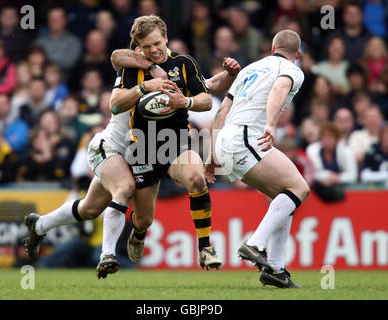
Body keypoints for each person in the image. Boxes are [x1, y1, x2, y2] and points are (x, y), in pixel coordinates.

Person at [23, 16, 241, 279]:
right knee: (109, 197)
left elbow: (207, 88)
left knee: (107, 211)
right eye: (147, 46)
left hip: (159, 146)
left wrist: (227, 77)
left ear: (166, 38)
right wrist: (145, 85)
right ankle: (106, 255)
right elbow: (115, 94)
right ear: (138, 48)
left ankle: (40, 224)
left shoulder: (181, 64)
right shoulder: (130, 67)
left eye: (157, 43)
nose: (154, 50)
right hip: (118, 148)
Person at [205, 30, 310, 288]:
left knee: (284, 197)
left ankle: (275, 269)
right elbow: (280, 88)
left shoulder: (250, 69)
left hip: (227, 140)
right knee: (299, 188)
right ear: (297, 55)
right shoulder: (292, 69)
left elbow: (223, 110)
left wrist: (211, 155)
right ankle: (255, 244)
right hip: (247, 137)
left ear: (272, 48)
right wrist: (272, 125)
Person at [306, 122, 358, 202]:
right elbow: (310, 174)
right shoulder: (312, 150)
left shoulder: (346, 151)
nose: (327, 140)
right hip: (319, 192)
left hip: (342, 191)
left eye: (330, 136)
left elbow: (352, 175)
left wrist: (337, 178)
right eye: (324, 136)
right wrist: (326, 176)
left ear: (336, 138)